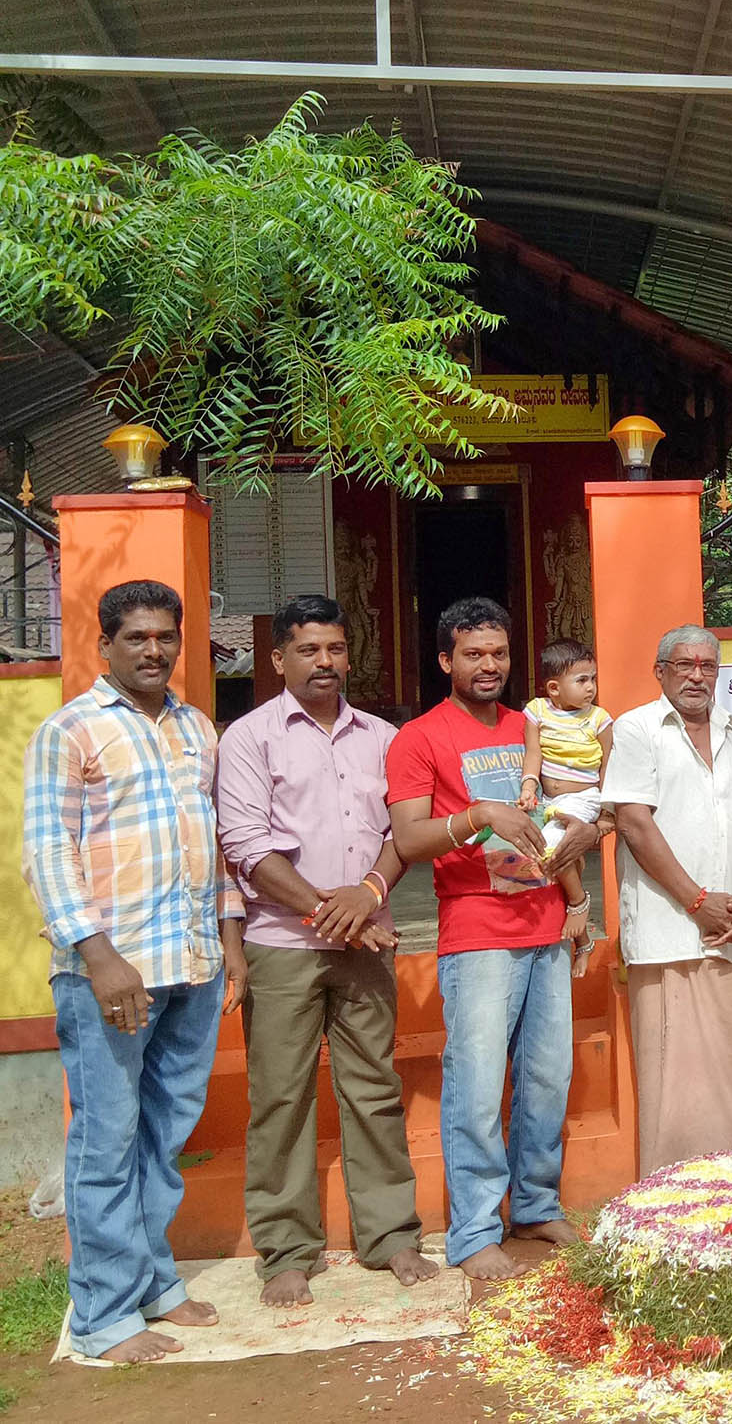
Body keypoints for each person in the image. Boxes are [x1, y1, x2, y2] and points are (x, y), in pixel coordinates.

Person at [22, 580, 248, 1362]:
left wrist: (231, 945)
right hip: (109, 975)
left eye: (165, 636)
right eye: (136, 637)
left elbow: (211, 843)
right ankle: (104, 1315)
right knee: (107, 1141)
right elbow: (49, 853)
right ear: (105, 645)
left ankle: (153, 1278)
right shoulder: (71, 730)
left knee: (162, 1137)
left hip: (191, 962)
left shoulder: (195, 728)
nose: (153, 650)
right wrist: (99, 956)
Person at [215, 594, 438, 1306]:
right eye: (308, 649)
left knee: (372, 1088)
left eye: (335, 648)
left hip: (364, 940)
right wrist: (331, 910)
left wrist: (369, 893)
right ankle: (286, 1248)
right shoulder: (248, 739)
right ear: (279, 659)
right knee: (280, 1096)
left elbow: (401, 835)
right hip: (282, 946)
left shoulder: (381, 736)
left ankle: (391, 1235)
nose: (325, 661)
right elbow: (246, 846)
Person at [385, 597, 588, 1279]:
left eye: (499, 653)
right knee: (476, 1084)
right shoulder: (420, 737)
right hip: (476, 928)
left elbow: (557, 817)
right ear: (446, 660)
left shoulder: (531, 725)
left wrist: (578, 897)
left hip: (544, 920)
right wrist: (475, 813)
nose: (489, 664)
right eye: (474, 653)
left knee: (547, 1073)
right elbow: (409, 838)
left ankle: (533, 1201)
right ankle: (473, 1230)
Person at [601, 625, 732, 1176]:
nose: (696, 676)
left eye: (707, 665)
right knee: (672, 1077)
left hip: (729, 929)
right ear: (661, 672)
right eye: (684, 665)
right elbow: (633, 820)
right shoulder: (636, 730)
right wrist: (697, 901)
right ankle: (675, 1193)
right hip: (667, 930)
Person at [519, 637, 614, 950]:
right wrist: (529, 785)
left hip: (583, 798)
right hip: (549, 800)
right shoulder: (537, 712)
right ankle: (583, 942)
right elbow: (533, 753)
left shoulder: (598, 719)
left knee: (549, 849)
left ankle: (579, 902)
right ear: (554, 688)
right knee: (547, 857)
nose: (591, 688)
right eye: (582, 680)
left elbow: (608, 766)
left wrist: (606, 812)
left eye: (593, 679)